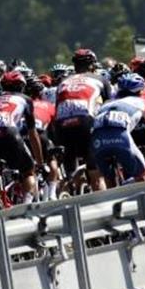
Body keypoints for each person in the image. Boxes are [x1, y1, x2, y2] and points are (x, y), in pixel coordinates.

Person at [0, 69, 44, 208]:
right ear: (21, 86)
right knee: (28, 171)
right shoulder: (25, 99)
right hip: (8, 133)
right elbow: (33, 134)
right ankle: (26, 206)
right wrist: (39, 162)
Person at [90, 74, 145, 187]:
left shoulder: (106, 104)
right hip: (120, 138)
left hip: (97, 141)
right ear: (141, 91)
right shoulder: (141, 102)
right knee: (142, 177)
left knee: (109, 182)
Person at [51, 55, 109, 192]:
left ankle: (70, 188)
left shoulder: (63, 82)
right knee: (95, 172)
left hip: (61, 125)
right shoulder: (100, 79)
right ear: (92, 66)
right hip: (85, 121)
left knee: (70, 168)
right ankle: (103, 205)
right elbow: (109, 105)